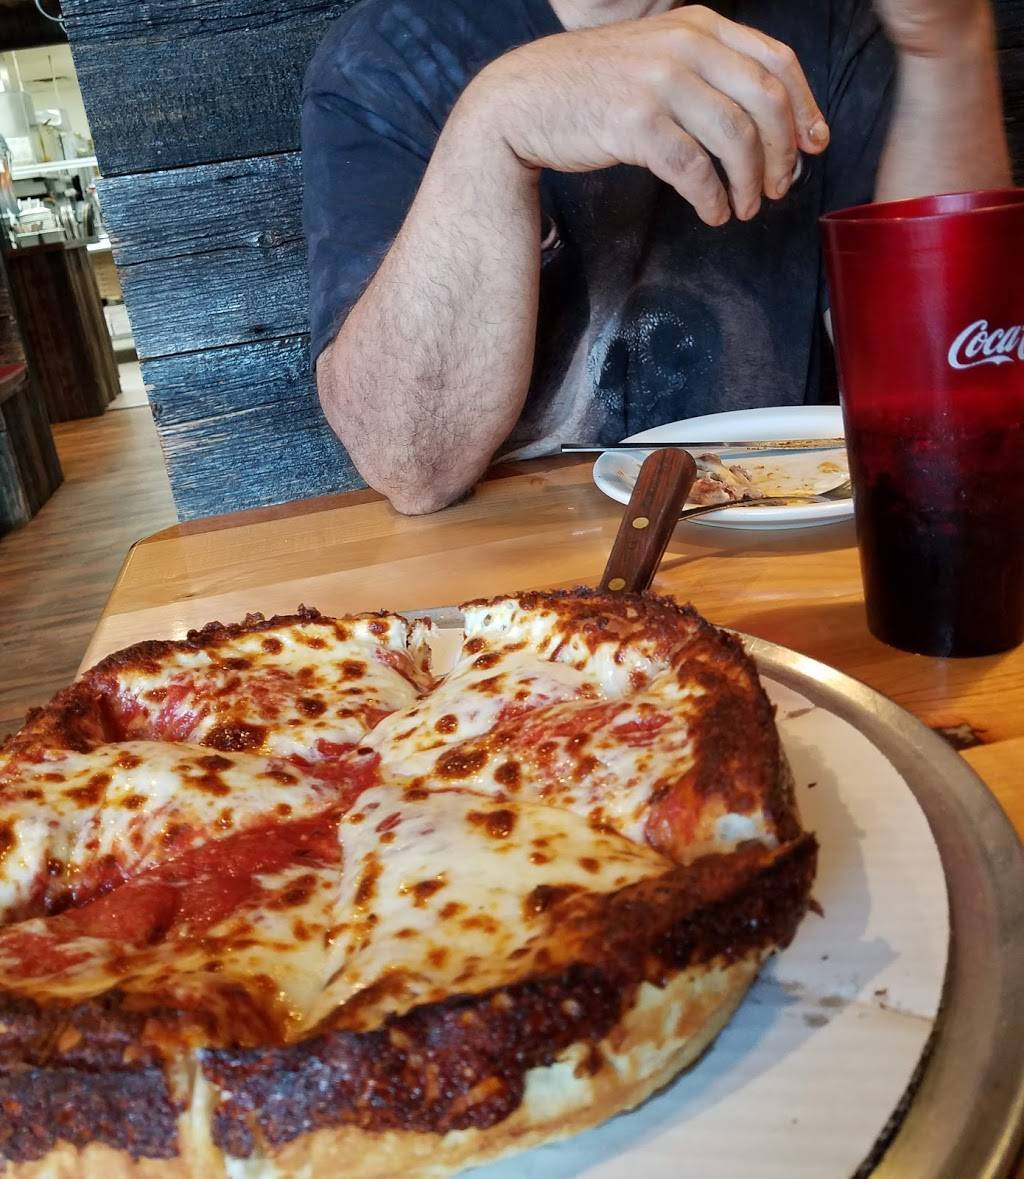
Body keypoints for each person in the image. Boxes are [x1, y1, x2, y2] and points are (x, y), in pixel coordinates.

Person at [303, 0, 1010, 513]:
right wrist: (493, 124)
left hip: (792, 551)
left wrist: (945, 51)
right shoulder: (390, 58)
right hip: (510, 616)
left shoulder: (830, 25)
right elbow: (413, 467)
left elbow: (950, 396)